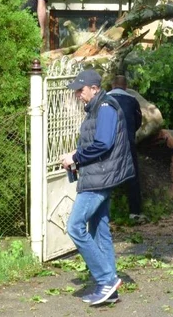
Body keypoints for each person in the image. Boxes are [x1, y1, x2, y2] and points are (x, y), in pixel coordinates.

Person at [60, 69, 135, 306]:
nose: (78, 95)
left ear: (94, 88)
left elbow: (103, 143)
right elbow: (98, 142)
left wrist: (76, 158)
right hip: (99, 176)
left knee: (75, 227)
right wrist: (76, 154)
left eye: (80, 90)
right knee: (100, 228)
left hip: (99, 178)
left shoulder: (105, 108)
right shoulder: (97, 108)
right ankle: (109, 284)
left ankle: (105, 280)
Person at [108, 75, 145, 222]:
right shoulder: (132, 100)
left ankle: (107, 213)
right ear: (125, 86)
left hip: (109, 144)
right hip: (128, 142)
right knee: (133, 176)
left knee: (107, 177)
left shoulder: (104, 100)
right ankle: (135, 212)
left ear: (112, 85)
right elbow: (138, 122)